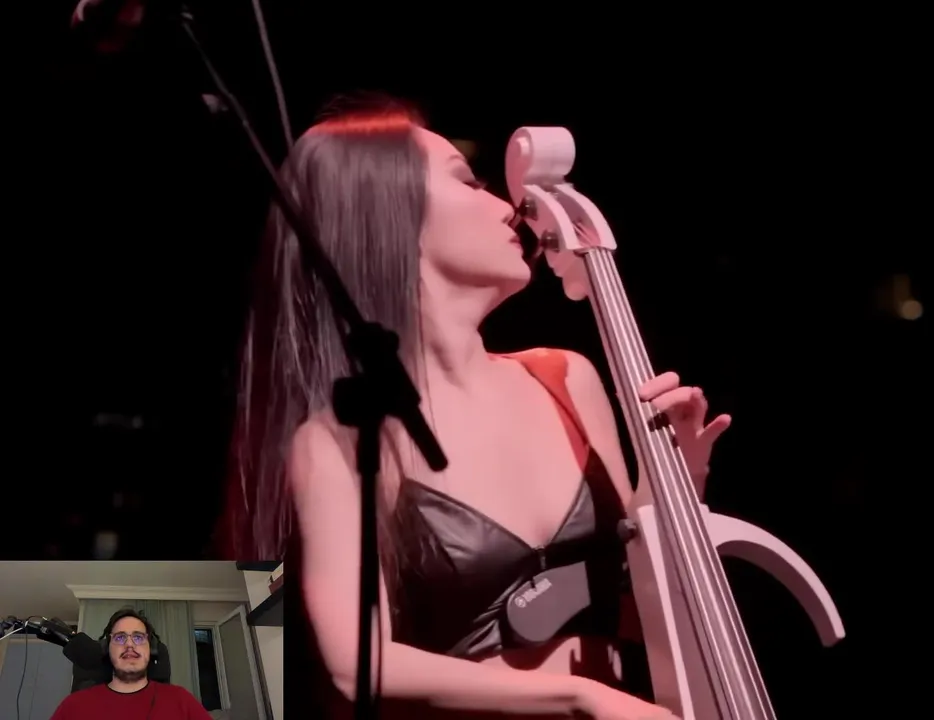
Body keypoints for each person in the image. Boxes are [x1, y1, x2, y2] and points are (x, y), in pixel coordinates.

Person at [220, 94, 732, 718]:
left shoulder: (564, 377)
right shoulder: (340, 438)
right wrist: (581, 696)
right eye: (467, 181)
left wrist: (677, 477)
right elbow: (356, 660)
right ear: (390, 217)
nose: (510, 206)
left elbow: (642, 590)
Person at [50, 608, 211, 720]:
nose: (129, 644)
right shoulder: (73, 706)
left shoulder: (181, 700)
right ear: (108, 649)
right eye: (120, 637)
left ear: (150, 649)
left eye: (138, 637)